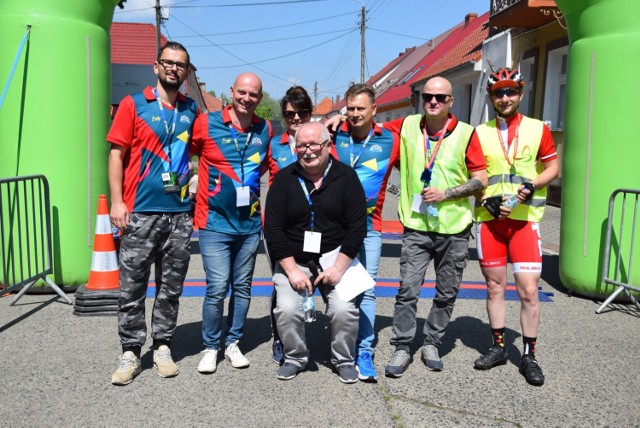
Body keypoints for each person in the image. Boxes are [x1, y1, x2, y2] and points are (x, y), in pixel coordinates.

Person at [383, 76, 488, 377]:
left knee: (446, 292)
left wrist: (447, 194)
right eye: (428, 96)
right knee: (407, 290)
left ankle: (432, 342)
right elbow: (370, 129)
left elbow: (481, 178)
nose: (433, 102)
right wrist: (341, 116)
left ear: (450, 102)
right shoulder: (406, 126)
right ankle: (403, 346)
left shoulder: (467, 134)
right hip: (417, 225)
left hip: (454, 228)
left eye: (440, 98)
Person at [108, 41, 200, 385]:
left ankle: (163, 346)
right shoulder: (134, 105)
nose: (174, 68)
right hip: (141, 212)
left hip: (178, 214)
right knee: (131, 286)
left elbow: (204, 149)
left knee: (170, 287)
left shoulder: (191, 109)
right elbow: (116, 154)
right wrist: (118, 203)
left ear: (187, 72)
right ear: (156, 66)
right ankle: (131, 352)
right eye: (168, 62)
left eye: (180, 64)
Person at [472, 67, 558, 386]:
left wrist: (532, 186)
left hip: (524, 223)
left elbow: (553, 167)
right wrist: (483, 198)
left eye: (510, 92)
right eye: (498, 93)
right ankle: (498, 348)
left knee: (528, 291)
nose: (505, 97)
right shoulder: (479, 133)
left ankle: (529, 355)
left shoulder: (538, 129)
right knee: (495, 286)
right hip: (490, 222)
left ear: (521, 94)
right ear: (491, 97)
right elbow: (475, 176)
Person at [264, 122, 367, 383]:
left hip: (335, 258)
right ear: (294, 147)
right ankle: (295, 357)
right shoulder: (284, 180)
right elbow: (273, 229)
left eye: (314, 144)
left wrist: (339, 268)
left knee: (344, 310)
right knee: (286, 308)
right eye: (301, 145)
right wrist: (291, 270)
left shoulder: (347, 177)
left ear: (328, 146)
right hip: (294, 260)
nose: (308, 150)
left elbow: (357, 228)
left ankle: (344, 359)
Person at [190, 72, 272, 374]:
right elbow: (185, 151)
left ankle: (233, 342)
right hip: (214, 223)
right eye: (242, 92)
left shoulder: (264, 129)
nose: (246, 98)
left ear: (259, 99)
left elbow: (265, 164)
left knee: (243, 287)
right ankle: (211, 346)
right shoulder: (207, 123)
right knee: (216, 287)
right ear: (231, 92)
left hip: (249, 225)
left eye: (253, 94)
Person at [329, 84, 400, 382]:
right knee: (340, 290)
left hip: (370, 228)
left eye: (361, 108)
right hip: (335, 229)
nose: (355, 114)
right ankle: (341, 350)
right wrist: (330, 117)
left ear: (374, 110)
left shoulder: (391, 139)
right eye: (351, 108)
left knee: (367, 290)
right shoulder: (334, 133)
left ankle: (365, 351)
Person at [266, 86, 313, 365]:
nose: (296, 119)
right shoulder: (274, 145)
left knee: (316, 279)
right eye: (290, 114)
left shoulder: (322, 139)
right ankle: (280, 337)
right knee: (282, 281)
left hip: (316, 227)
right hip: (281, 227)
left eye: (302, 113)